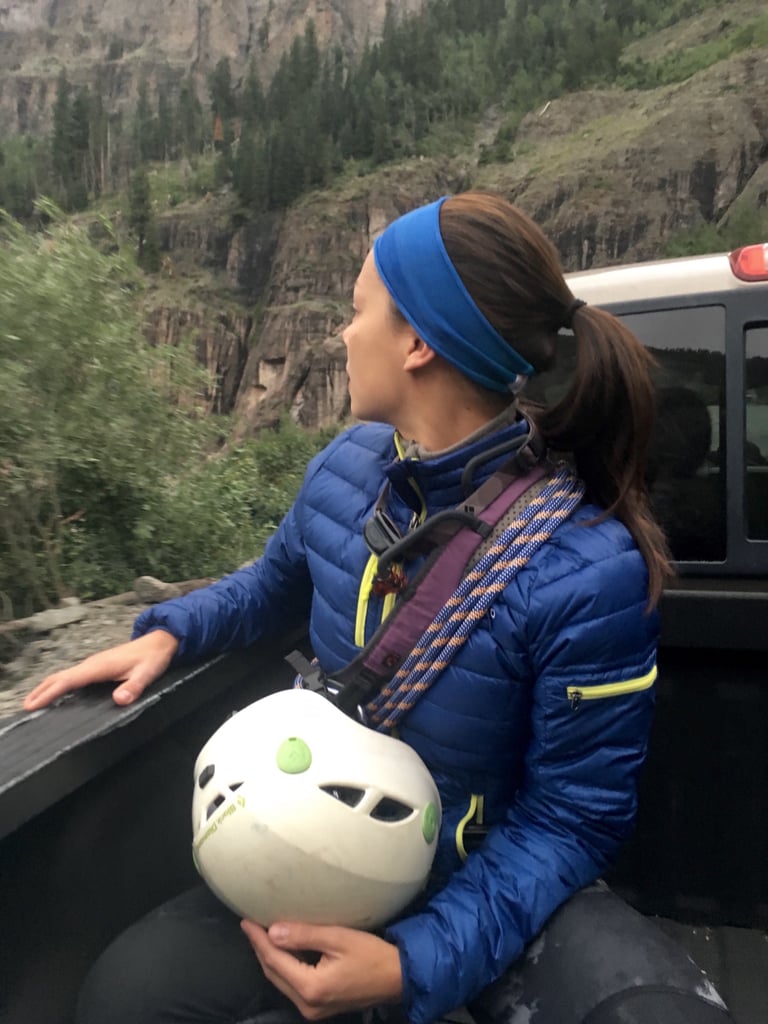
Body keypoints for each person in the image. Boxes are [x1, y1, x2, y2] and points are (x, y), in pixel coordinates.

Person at [23, 191, 671, 1024]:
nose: (341, 333)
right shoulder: (348, 467)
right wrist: (170, 635)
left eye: (357, 309)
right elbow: (271, 584)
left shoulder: (584, 570)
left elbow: (571, 821)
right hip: (327, 853)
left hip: (476, 886)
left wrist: (412, 963)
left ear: (419, 342)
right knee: (130, 995)